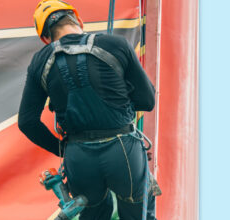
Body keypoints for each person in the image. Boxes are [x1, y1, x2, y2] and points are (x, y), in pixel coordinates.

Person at [18, 0, 157, 219]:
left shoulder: (39, 61)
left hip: (79, 157)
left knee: (94, 214)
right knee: (138, 211)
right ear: (79, 21)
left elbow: (27, 122)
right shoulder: (115, 44)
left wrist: (62, 149)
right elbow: (147, 101)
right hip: (122, 149)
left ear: (45, 38)